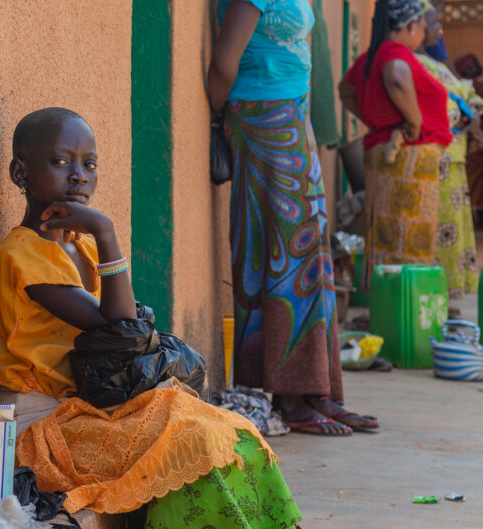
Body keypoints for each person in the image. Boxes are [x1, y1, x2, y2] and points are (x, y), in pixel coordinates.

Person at [0, 107, 302, 528]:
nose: (79, 175)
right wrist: (107, 230)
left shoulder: (84, 249)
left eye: (89, 164)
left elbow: (124, 326)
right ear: (20, 174)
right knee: (193, 442)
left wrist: (99, 239)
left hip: (93, 411)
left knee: (233, 432)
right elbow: (117, 326)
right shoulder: (20, 254)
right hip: (44, 424)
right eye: (61, 162)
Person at [207, 0, 377, 435]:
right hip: (262, 116)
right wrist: (220, 116)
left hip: (293, 113)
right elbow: (224, 63)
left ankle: (317, 390)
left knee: (311, 250)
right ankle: (286, 393)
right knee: (283, 252)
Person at [339, 0, 453, 291]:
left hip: (384, 151)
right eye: (423, 27)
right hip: (408, 157)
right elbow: (397, 77)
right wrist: (413, 123)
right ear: (411, 25)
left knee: (385, 234)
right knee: (410, 235)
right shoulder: (395, 53)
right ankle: (409, 305)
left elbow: (345, 90)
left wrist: (375, 119)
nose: (423, 34)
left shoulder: (370, 57)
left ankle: (385, 304)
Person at [415, 1, 483, 298]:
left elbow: (468, 99)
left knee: (451, 231)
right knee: (437, 233)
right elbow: (450, 107)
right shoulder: (413, 64)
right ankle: (437, 298)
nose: (439, 30)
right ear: (415, 25)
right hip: (433, 159)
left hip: (451, 159)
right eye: (434, 23)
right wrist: (466, 117)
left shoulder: (438, 67)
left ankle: (448, 299)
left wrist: (472, 114)